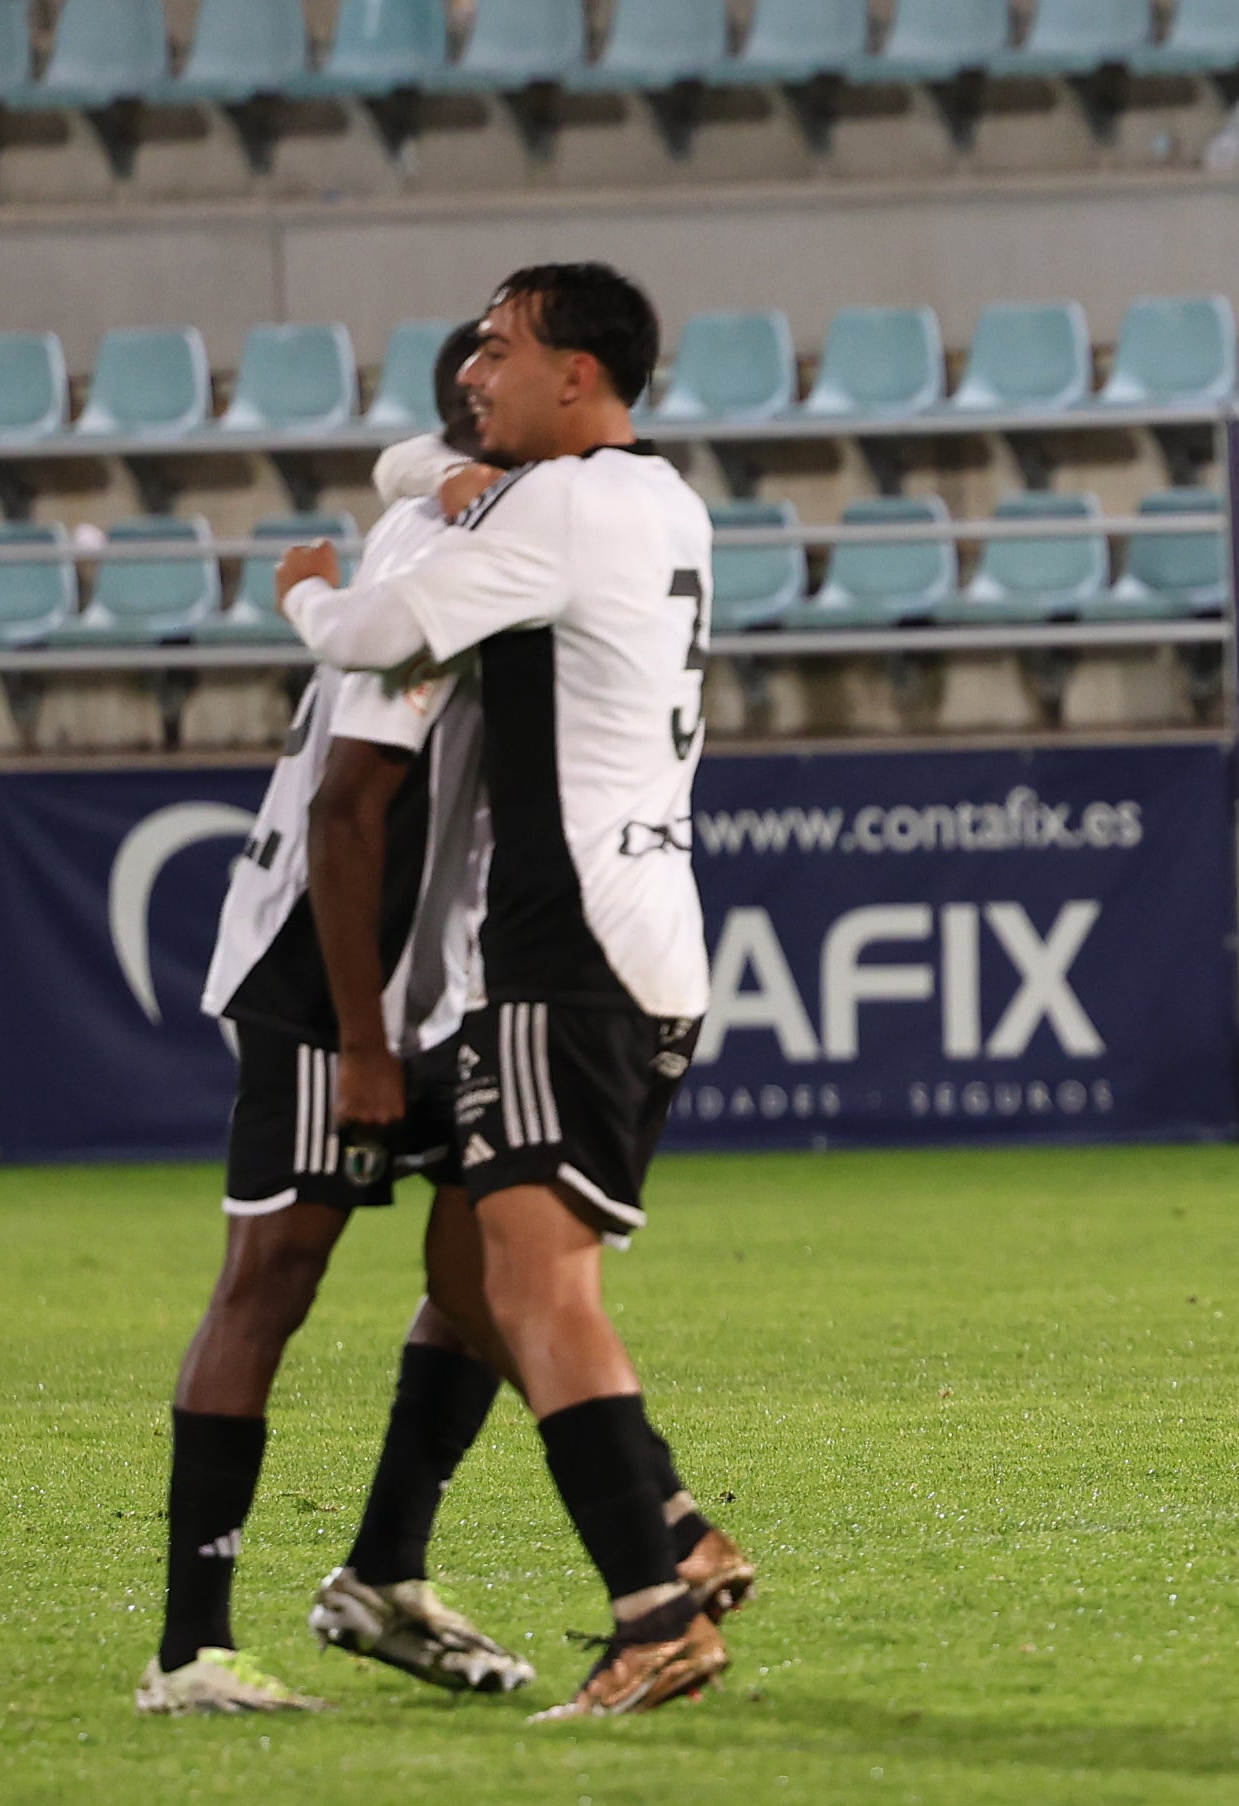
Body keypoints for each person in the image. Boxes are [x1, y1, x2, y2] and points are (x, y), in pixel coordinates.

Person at [276, 262, 740, 1720]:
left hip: (565, 949)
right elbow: (441, 464)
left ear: (579, 376)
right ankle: (616, 1531)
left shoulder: (556, 507)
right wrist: (437, 471)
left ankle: (653, 1605)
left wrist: (299, 590)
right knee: (471, 1281)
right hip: (638, 931)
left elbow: (370, 634)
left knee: (534, 1288)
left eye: (500, 347)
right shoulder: (658, 499)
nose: (472, 369)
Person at [140, 325, 528, 1715]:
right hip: (331, 977)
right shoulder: (431, 549)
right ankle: (189, 1649)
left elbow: (421, 461)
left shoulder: (475, 516)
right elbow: (346, 804)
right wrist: (362, 1041)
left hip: (446, 979)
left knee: (492, 1267)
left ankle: (384, 1574)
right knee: (271, 1283)